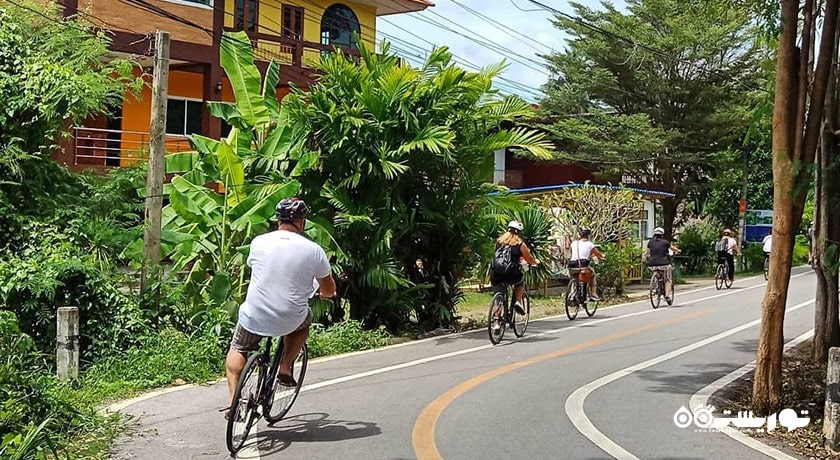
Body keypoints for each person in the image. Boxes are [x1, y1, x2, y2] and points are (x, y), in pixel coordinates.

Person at [224, 198, 336, 416]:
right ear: (302, 222)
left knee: (238, 348)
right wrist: (326, 294)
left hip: (254, 314)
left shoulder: (258, 242)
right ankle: (285, 365)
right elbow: (328, 288)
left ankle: (233, 403)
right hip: (290, 318)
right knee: (304, 321)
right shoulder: (314, 251)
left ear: (278, 220)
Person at [489, 221, 540, 330]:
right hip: (511, 274)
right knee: (520, 282)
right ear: (519, 232)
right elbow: (529, 259)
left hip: (496, 273)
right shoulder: (520, 244)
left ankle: (496, 323)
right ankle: (517, 301)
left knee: (498, 297)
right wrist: (535, 262)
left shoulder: (499, 242)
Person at [568, 227, 605, 301]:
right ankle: (593, 293)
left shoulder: (574, 243)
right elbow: (598, 254)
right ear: (588, 235)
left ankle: (572, 294)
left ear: (579, 235)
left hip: (572, 266)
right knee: (592, 274)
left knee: (574, 278)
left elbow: (572, 253)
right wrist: (602, 256)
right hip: (583, 267)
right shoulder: (590, 244)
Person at [644, 227, 681, 299]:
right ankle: (666, 295)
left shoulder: (650, 242)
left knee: (656, 272)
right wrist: (678, 250)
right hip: (664, 263)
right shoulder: (665, 242)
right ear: (662, 234)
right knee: (668, 279)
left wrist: (647, 258)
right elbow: (672, 248)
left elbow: (647, 252)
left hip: (653, 264)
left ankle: (655, 286)